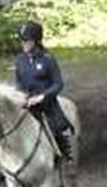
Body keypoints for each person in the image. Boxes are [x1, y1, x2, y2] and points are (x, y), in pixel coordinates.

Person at [14, 21, 74, 162]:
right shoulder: (19, 60)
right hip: (27, 102)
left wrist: (42, 97)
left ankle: (64, 154)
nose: (23, 44)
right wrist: (22, 95)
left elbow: (58, 84)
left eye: (26, 40)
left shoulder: (48, 59)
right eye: (22, 40)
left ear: (36, 41)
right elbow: (19, 82)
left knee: (57, 127)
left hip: (46, 102)